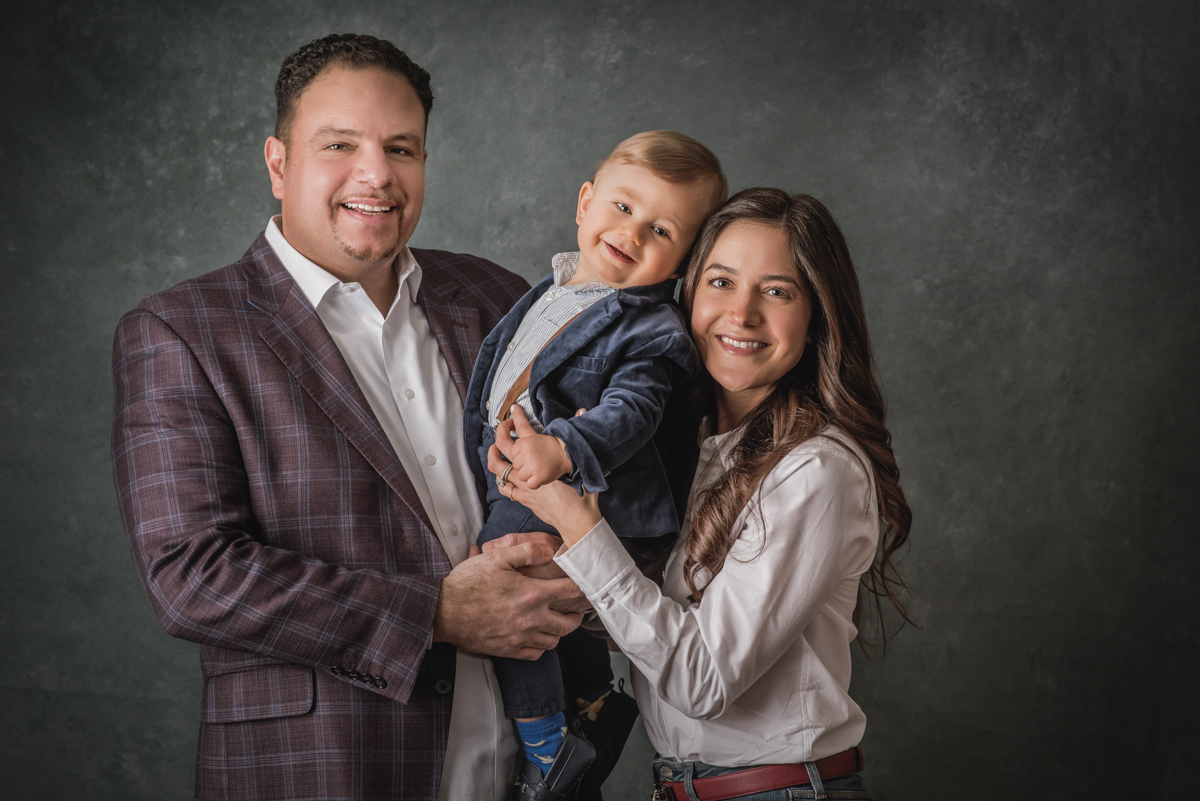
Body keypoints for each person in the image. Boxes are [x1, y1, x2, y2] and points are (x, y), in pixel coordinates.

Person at [111, 34, 586, 801]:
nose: (377, 174)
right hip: (327, 768)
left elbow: (583, 458)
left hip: (527, 768)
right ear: (278, 163)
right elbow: (191, 575)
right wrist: (434, 613)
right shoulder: (183, 331)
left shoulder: (498, 298)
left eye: (402, 147)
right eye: (340, 144)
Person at [489, 188, 913, 800]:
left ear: (817, 313)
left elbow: (702, 679)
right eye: (720, 282)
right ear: (686, 293)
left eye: (776, 291)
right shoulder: (693, 445)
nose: (741, 315)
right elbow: (657, 627)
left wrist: (580, 528)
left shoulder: (816, 469)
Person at [462, 131, 727, 799]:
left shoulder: (652, 328)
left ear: (683, 259)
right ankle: (591, 701)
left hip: (568, 481)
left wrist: (564, 449)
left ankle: (547, 749)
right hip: (515, 471)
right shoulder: (551, 289)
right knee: (555, 609)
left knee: (505, 583)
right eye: (622, 206)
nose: (632, 232)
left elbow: (632, 410)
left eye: (661, 229)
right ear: (584, 203)